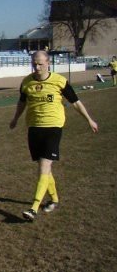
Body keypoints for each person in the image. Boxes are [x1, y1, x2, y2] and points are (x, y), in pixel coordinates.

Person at [9, 50, 98, 222]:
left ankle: (34, 208)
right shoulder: (26, 82)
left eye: (40, 63)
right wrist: (15, 119)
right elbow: (21, 103)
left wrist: (89, 120)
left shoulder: (59, 81)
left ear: (48, 63)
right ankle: (54, 199)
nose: (37, 67)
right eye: (34, 63)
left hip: (53, 128)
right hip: (34, 128)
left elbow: (75, 102)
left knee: (44, 167)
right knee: (44, 168)